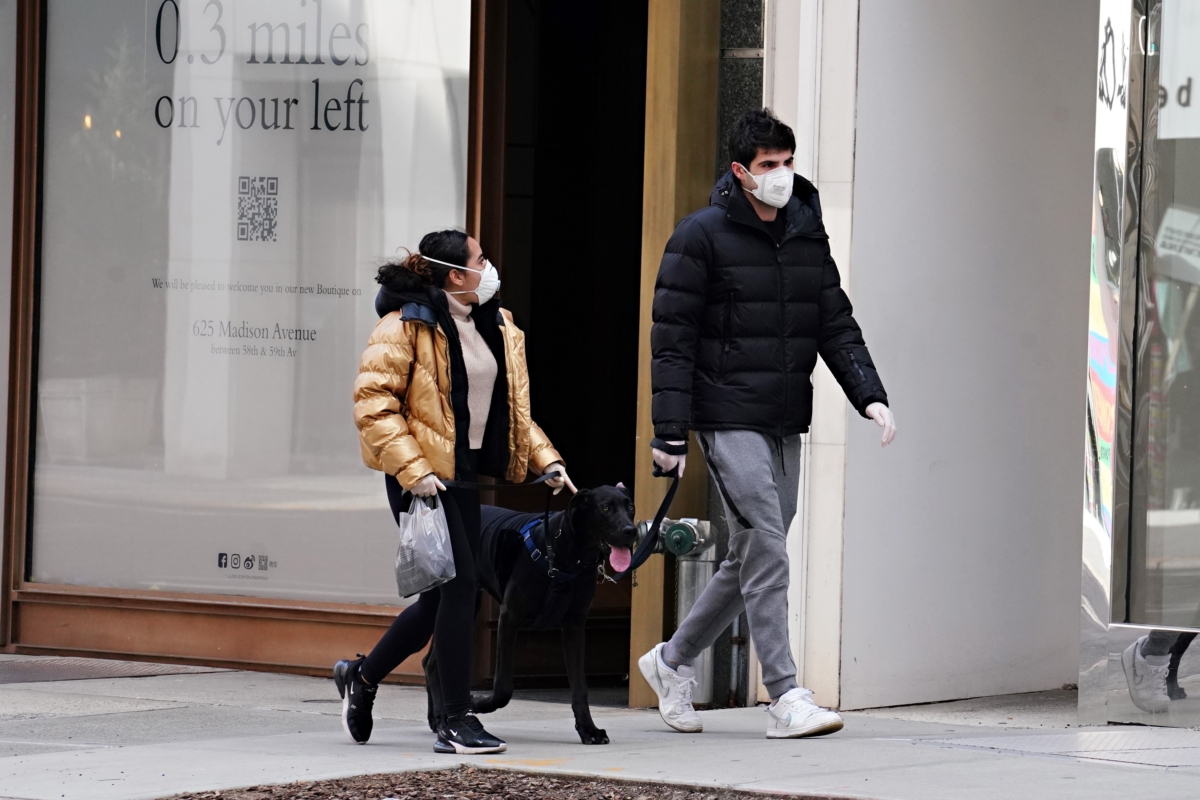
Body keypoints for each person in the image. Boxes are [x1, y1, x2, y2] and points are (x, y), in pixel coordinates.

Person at [638, 109, 896, 739]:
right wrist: (670, 433)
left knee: (754, 548)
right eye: (767, 166)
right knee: (770, 547)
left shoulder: (807, 232)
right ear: (740, 172)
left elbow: (833, 319)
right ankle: (784, 693)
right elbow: (672, 341)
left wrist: (870, 395)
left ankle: (671, 661)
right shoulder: (699, 236)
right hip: (726, 414)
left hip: (784, 415)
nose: (781, 175)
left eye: (787, 162)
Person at [334, 229, 574, 755]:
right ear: (454, 275)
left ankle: (362, 676)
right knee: (461, 592)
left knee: (442, 597)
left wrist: (546, 459)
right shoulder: (404, 326)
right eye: (480, 259)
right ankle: (456, 718)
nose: (489, 268)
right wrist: (414, 470)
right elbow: (374, 406)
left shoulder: (495, 324)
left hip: (461, 476)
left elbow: (514, 412)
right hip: (421, 481)